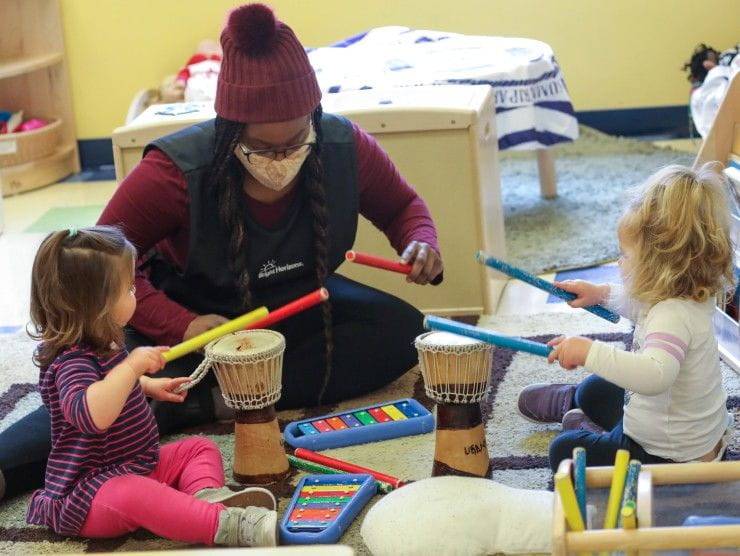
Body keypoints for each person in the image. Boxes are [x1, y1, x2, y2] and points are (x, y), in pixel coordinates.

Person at [0, 3, 443, 499]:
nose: (281, 161)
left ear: (313, 118)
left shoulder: (343, 144)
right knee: (107, 390)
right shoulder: (173, 170)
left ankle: (209, 398)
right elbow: (95, 276)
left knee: (402, 331)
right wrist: (180, 324)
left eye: (295, 142)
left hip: (291, 306)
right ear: (230, 132)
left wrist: (420, 241)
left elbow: (404, 206)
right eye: (262, 149)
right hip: (186, 317)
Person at [24, 226, 278, 547]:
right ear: (97, 304)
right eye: (129, 288)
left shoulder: (104, 343)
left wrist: (146, 385)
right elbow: (92, 414)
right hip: (89, 492)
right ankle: (226, 526)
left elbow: (109, 384)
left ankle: (206, 499)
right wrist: (132, 367)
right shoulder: (70, 361)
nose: (135, 294)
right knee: (136, 494)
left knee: (199, 448)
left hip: (137, 464)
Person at [517, 163, 735, 472]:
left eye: (627, 255)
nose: (620, 262)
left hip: (669, 456)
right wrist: (600, 293)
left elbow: (654, 376)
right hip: (672, 427)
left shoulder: (671, 315)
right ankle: (581, 410)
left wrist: (589, 351)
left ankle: (594, 431)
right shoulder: (687, 292)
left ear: (660, 266)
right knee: (595, 388)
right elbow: (639, 304)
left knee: (563, 452)